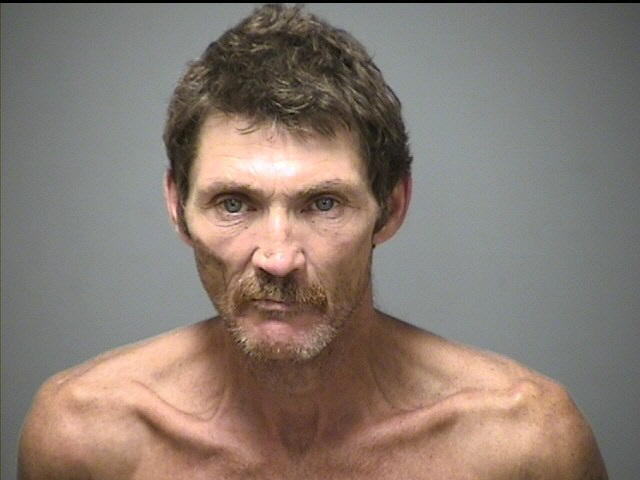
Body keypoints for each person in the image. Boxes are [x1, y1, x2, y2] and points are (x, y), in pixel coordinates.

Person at [18, 4, 608, 479]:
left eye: (323, 204)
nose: (278, 258)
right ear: (178, 207)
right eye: (234, 204)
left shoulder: (524, 445)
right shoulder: (85, 438)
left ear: (391, 208)